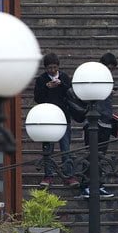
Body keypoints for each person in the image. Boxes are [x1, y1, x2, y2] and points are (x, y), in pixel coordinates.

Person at [33, 53, 76, 187]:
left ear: (58, 66)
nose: (52, 70)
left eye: (54, 67)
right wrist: (47, 87)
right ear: (45, 68)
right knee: (48, 149)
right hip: (48, 117)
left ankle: (68, 175)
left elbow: (71, 93)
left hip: (63, 116)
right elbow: (37, 98)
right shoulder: (41, 80)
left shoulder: (64, 77)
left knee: (65, 148)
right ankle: (48, 175)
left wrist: (61, 85)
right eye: (49, 68)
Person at [79, 52, 118, 200]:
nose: (110, 71)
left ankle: (98, 184)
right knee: (91, 155)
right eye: (108, 68)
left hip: (106, 122)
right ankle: (86, 185)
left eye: (112, 69)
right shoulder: (93, 79)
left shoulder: (109, 79)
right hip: (94, 122)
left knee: (100, 156)